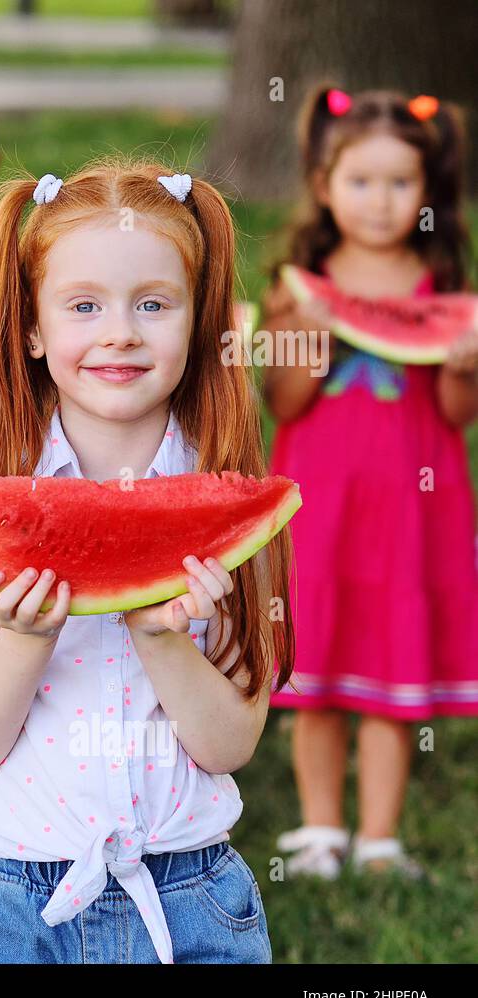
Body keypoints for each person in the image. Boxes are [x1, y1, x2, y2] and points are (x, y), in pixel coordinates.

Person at [0, 160, 294, 964]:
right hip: (8, 902)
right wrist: (23, 638)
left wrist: (162, 641)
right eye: (83, 305)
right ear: (31, 327)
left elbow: (229, 746)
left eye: (153, 305)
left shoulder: (232, 519)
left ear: (198, 323)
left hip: (191, 896)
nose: (120, 331)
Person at [261, 86, 478, 880]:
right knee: (313, 678)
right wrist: (302, 339)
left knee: (396, 673)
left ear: (429, 192)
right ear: (323, 184)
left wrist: (465, 367)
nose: (381, 202)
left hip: (414, 511)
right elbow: (283, 401)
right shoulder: (298, 283)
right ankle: (321, 831)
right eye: (361, 182)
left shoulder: (442, 280)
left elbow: (457, 415)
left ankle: (381, 837)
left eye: (401, 184)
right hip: (319, 506)